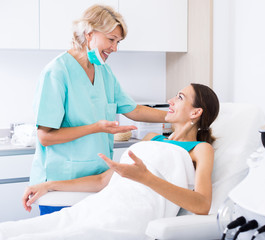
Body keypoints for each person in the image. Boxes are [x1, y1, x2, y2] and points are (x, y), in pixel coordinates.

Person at [0, 83, 219, 240]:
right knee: (14, 230)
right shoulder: (151, 139)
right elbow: (102, 181)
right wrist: (48, 185)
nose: (170, 101)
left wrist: (146, 178)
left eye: (179, 97)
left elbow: (201, 205)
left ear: (196, 112)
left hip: (131, 217)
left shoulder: (201, 150)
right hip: (100, 206)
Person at [30, 3, 167, 211]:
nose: (115, 48)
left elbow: (133, 110)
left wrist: (174, 117)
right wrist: (96, 127)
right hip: (59, 185)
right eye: (111, 40)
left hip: (97, 181)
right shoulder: (57, 72)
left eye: (118, 42)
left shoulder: (104, 72)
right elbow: (45, 137)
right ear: (89, 33)